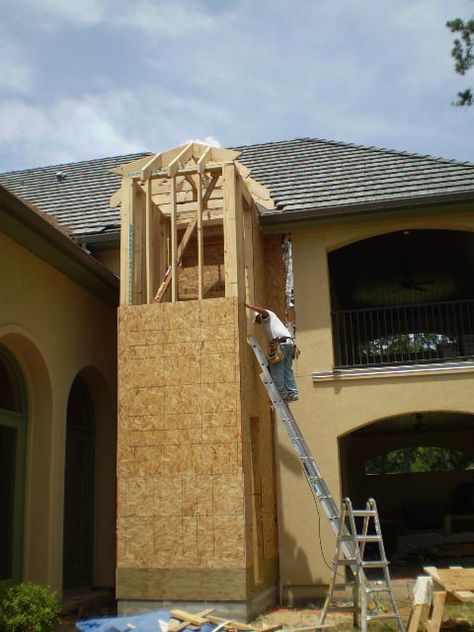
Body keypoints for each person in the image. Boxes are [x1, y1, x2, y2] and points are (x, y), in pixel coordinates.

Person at [245, 303, 298, 402]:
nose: (258, 322)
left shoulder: (267, 316)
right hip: (289, 344)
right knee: (287, 370)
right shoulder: (272, 320)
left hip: (281, 344)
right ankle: (292, 393)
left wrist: (250, 307)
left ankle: (281, 395)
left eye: (257, 320)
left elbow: (263, 311)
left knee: (277, 369)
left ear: (259, 316)